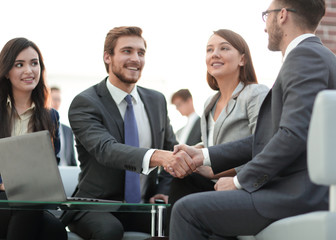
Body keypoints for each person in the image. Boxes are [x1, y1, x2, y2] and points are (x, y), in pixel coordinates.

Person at [169, 0, 336, 239]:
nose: (265, 26)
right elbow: (269, 138)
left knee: (186, 211)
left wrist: (239, 182)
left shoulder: (304, 57)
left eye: (266, 15)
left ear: (282, 16)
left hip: (296, 194)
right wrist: (204, 156)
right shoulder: (317, 55)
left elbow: (293, 136)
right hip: (298, 190)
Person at [64, 26, 193, 240]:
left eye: (141, 53)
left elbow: (172, 149)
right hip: (97, 206)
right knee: (109, 231)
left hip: (143, 205)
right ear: (108, 57)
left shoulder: (157, 101)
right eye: (127, 51)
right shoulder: (86, 103)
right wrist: (157, 156)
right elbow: (107, 150)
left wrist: (164, 189)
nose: (136, 59)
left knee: (188, 220)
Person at [166, 29, 268, 234]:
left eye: (224, 48)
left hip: (241, 185)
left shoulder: (255, 93)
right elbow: (209, 145)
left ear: (242, 59)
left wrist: (215, 171)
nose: (215, 54)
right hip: (210, 183)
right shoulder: (209, 103)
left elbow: (264, 148)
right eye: (209, 49)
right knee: (180, 177)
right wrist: (188, 152)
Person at [0, 38, 67, 240]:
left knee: (56, 231)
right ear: (6, 71)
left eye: (34, 63)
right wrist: (3, 184)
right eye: (20, 64)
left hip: (29, 205)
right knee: (32, 209)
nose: (29, 70)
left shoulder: (50, 116)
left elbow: (53, 164)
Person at [50, 86, 77, 166]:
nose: (57, 103)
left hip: (66, 174)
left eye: (59, 100)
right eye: (54, 99)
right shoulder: (41, 127)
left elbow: (72, 159)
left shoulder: (68, 130)